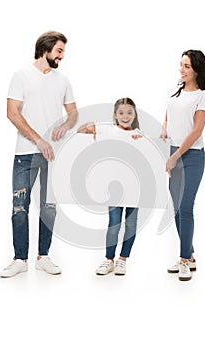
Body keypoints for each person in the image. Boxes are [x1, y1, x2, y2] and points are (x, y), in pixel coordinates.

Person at [0, 31, 78, 278]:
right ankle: (19, 259)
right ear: (45, 49)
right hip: (25, 153)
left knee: (49, 207)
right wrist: (38, 140)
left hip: (52, 155)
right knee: (19, 206)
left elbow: (73, 113)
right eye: (59, 51)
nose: (61, 56)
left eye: (63, 52)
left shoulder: (62, 80)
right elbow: (12, 113)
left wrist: (66, 125)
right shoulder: (21, 76)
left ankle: (43, 257)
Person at [160, 50, 205, 281]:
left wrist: (176, 156)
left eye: (186, 67)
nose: (181, 70)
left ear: (197, 70)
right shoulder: (177, 93)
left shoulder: (203, 95)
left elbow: (196, 131)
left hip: (191, 156)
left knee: (185, 207)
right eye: (181, 65)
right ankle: (189, 255)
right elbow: (169, 116)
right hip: (173, 152)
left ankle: (183, 260)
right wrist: (164, 129)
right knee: (175, 209)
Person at [77, 98, 141, 275]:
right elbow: (80, 132)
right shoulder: (107, 130)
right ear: (115, 115)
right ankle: (109, 259)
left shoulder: (138, 134)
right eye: (121, 113)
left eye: (129, 112)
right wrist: (90, 125)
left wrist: (141, 140)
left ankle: (123, 259)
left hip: (135, 187)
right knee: (114, 223)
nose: (125, 116)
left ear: (134, 114)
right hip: (115, 188)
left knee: (131, 224)